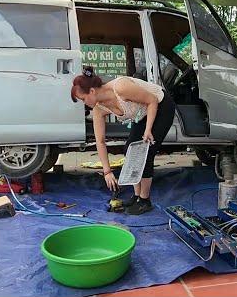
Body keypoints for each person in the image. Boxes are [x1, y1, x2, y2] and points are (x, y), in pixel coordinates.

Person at [71, 66, 176, 215]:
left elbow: (152, 100)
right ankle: (137, 196)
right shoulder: (99, 109)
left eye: (83, 99)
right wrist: (107, 172)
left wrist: (148, 130)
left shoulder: (120, 87)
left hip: (161, 106)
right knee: (130, 149)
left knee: (146, 152)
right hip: (141, 114)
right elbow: (100, 141)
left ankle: (145, 200)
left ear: (92, 91)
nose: (84, 103)